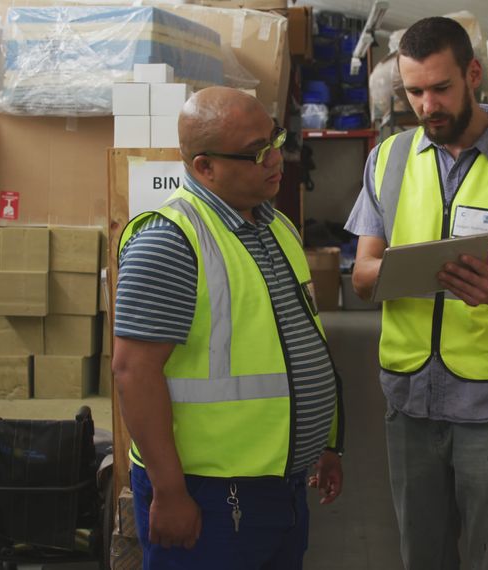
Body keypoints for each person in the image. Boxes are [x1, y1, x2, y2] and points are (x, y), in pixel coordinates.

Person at [344, 17, 488, 570]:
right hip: (409, 400)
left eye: (441, 88)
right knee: (421, 555)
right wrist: (410, 270)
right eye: (415, 92)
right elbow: (361, 274)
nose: (427, 106)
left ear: (473, 75)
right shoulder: (389, 159)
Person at [113, 86, 345, 570]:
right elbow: (134, 373)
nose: (275, 157)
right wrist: (170, 491)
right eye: (255, 152)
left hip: (278, 483)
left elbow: (299, 344)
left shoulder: (275, 225)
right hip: (209, 494)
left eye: (275, 139)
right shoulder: (170, 241)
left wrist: (322, 441)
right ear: (204, 167)